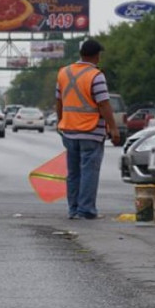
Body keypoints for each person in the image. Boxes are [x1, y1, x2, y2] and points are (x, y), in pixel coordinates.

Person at [56, 39, 119, 220]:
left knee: (73, 173)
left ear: (81, 53)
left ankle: (73, 210)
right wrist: (113, 128)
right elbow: (103, 104)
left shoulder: (64, 73)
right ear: (97, 55)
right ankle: (86, 210)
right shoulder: (96, 75)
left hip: (69, 131)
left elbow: (59, 101)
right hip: (91, 131)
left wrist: (60, 122)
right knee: (89, 172)